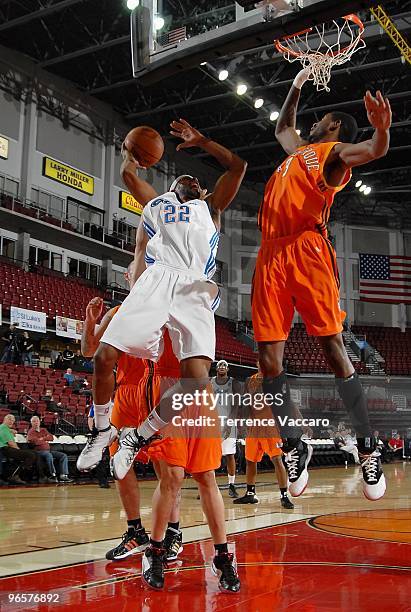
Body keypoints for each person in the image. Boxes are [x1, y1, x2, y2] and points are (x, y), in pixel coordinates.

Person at [79, 120, 246, 592]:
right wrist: (130, 151)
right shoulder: (156, 206)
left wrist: (202, 142)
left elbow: (237, 165)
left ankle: (137, 438)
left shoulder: (210, 209)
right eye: (183, 176)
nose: (189, 179)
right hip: (159, 283)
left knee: (197, 389)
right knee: (105, 356)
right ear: (169, 183)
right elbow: (129, 175)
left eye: (195, 179)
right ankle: (102, 433)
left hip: (193, 291)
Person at [251, 67, 391, 501]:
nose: (312, 124)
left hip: (307, 250)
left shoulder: (331, 153)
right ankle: (295, 445)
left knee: (332, 348)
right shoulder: (296, 151)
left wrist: (382, 129)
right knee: (268, 360)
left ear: (332, 125)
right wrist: (295, 84)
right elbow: (282, 126)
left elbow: (371, 149)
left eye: (321, 119)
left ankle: (368, 445)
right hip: (270, 253)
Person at [80, 264, 183, 563]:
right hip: (126, 394)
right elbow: (89, 350)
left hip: (159, 390)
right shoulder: (117, 312)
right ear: (128, 278)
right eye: (133, 271)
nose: (139, 274)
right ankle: (135, 531)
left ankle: (172, 533)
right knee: (119, 467)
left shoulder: (169, 308)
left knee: (168, 469)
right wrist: (90, 323)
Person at [234, 362, 294, 509]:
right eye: (260, 360)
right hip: (254, 426)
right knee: (250, 460)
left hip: (270, 425)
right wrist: (242, 421)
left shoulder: (275, 379)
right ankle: (250, 493)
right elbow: (248, 402)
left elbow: (286, 403)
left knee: (277, 459)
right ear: (257, 362)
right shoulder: (251, 380)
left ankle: (284, 495)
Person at [211, 360, 242, 498]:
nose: (222, 367)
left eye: (224, 365)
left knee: (230, 455)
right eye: (220, 365)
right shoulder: (210, 382)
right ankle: (209, 485)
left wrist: (230, 423)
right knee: (210, 455)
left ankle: (231, 485)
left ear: (228, 369)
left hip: (228, 422)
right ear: (216, 368)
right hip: (213, 422)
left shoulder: (233, 383)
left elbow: (236, 405)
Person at [0, 414, 50, 484]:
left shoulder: (7, 428)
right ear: (4, 420)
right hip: (5, 449)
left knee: (36, 453)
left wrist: (13, 431)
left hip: (9, 448)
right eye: (10, 420)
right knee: (31, 455)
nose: (11, 422)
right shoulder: (3, 428)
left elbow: (12, 434)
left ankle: (42, 477)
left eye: (13, 421)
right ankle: (14, 475)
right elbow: (11, 443)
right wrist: (19, 450)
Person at [27, 416, 73, 482]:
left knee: (63, 456)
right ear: (31, 423)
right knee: (48, 455)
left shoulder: (44, 430)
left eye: (37, 421)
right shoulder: (31, 432)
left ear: (40, 422)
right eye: (34, 421)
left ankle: (63, 475)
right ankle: (52, 475)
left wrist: (42, 439)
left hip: (48, 450)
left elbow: (51, 437)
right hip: (38, 451)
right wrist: (45, 439)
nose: (36, 423)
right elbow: (35, 442)